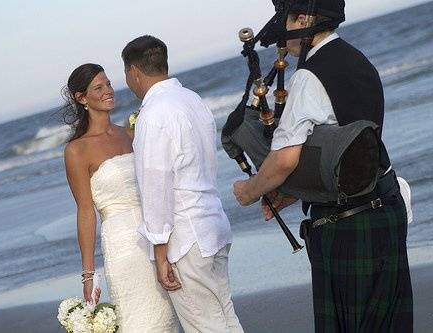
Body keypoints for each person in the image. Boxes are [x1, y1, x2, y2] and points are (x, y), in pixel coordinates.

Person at [232, 0, 413, 332]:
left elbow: (285, 159)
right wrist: (293, 193)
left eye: (285, 19)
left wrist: (249, 190)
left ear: (303, 19)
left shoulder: (308, 76)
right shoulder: (357, 59)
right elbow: (344, 150)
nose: (281, 33)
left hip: (347, 226)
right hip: (386, 208)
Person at [122, 35, 244, 333]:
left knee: (206, 326)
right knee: (225, 319)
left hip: (185, 237)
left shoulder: (153, 114)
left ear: (134, 72)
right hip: (212, 223)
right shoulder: (191, 98)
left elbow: (156, 186)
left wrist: (160, 252)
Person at [62, 63, 178, 332]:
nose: (108, 91)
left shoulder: (130, 134)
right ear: (82, 98)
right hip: (123, 245)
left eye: (109, 84)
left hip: (158, 236)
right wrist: (88, 275)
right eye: (98, 88)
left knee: (170, 319)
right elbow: (85, 212)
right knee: (142, 321)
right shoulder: (76, 150)